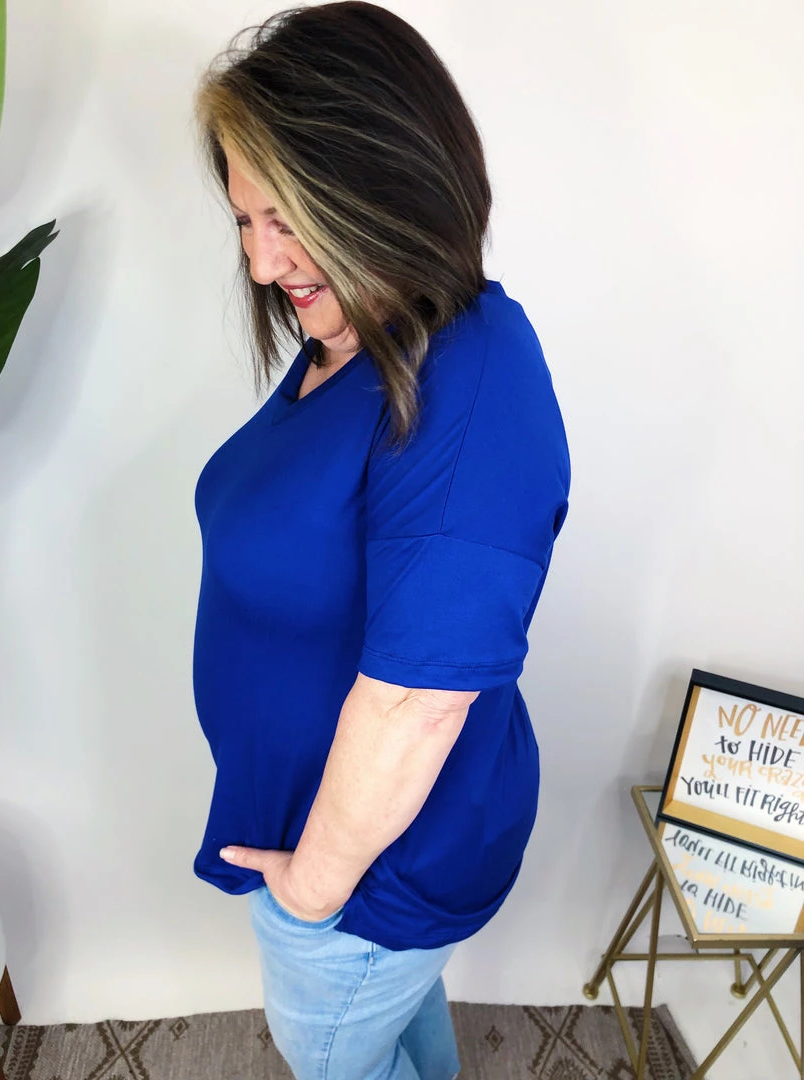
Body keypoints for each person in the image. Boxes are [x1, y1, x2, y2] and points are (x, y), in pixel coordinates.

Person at [190, 4, 570, 1078]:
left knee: (332, 1056)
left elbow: (421, 698)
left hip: (367, 873)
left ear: (383, 181)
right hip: (337, 847)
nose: (262, 264)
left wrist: (312, 889)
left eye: (286, 219)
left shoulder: (470, 378)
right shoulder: (360, 334)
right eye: (244, 222)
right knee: (391, 1036)